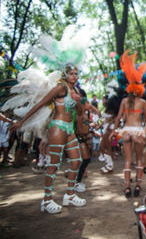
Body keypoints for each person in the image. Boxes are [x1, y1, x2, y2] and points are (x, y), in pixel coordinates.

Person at [11, 63, 86, 213]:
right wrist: (22, 121)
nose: (75, 76)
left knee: (77, 161)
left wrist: (78, 101)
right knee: (54, 165)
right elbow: (40, 104)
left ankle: (70, 195)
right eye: (71, 73)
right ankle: (46, 200)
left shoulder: (75, 90)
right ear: (65, 75)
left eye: (76, 74)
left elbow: (80, 112)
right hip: (57, 127)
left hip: (69, 129)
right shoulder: (60, 88)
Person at [109, 50, 146, 198]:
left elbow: (118, 118)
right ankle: (138, 186)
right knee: (139, 160)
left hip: (126, 131)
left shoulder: (123, 101)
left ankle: (127, 187)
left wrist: (112, 132)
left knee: (127, 160)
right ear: (139, 87)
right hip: (138, 131)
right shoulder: (143, 102)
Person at [74, 88, 101, 193]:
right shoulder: (78, 113)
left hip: (87, 137)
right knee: (84, 159)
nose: (89, 105)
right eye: (87, 103)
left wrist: (95, 126)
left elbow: (98, 118)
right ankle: (77, 182)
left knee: (86, 160)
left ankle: (77, 181)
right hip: (80, 139)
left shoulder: (86, 114)